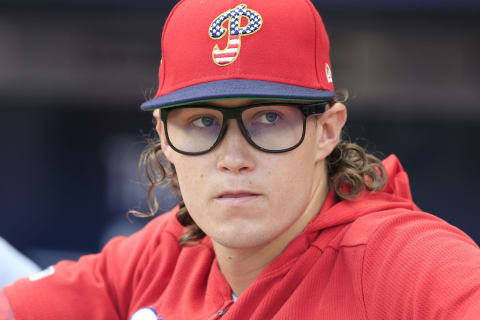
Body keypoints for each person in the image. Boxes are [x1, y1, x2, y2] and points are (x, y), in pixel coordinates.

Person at [2, 0, 480, 319]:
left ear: (326, 131)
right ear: (164, 136)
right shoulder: (170, 249)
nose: (233, 158)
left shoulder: (406, 261)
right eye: (203, 122)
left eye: (268, 118)